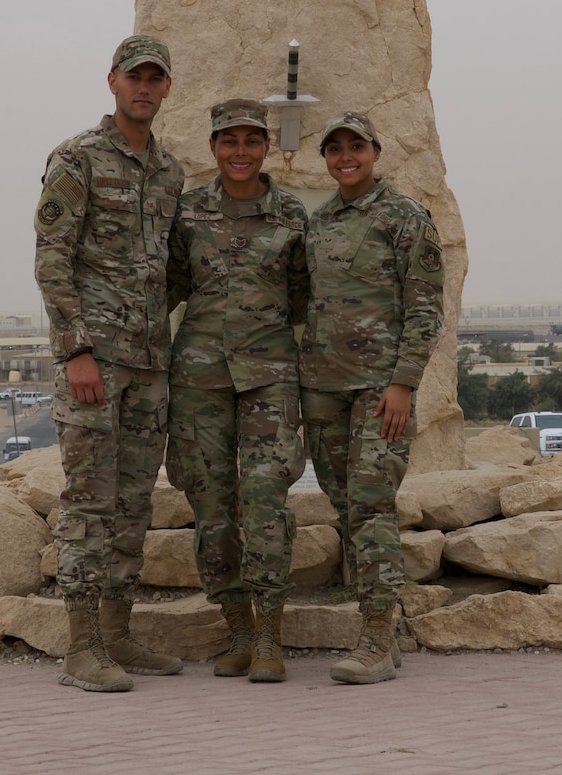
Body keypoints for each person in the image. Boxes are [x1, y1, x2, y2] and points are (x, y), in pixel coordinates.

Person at [33, 34, 186, 693]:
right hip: (94, 363)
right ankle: (82, 647)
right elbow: (51, 260)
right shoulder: (78, 159)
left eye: (154, 78)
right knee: (90, 505)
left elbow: (172, 268)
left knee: (131, 505)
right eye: (134, 77)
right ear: (112, 82)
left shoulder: (170, 171)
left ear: (165, 88)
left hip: (150, 363)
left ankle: (119, 633)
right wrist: (77, 350)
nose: (143, 88)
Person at [166, 99, 310, 683]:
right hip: (198, 380)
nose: (241, 152)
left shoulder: (292, 216)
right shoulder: (188, 214)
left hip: (270, 379)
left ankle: (271, 637)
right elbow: (171, 287)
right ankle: (239, 630)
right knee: (211, 509)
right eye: (230, 142)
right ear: (213, 148)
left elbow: (304, 296)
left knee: (265, 504)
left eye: (252, 141)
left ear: (267, 148)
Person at [300, 111, 445, 685]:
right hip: (323, 390)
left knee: (370, 505)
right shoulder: (320, 222)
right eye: (334, 149)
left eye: (355, 146)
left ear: (375, 152)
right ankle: (382, 626)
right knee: (347, 507)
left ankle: (377, 640)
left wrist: (403, 383)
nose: (345, 157)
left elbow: (426, 306)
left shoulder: (404, 216)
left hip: (379, 392)